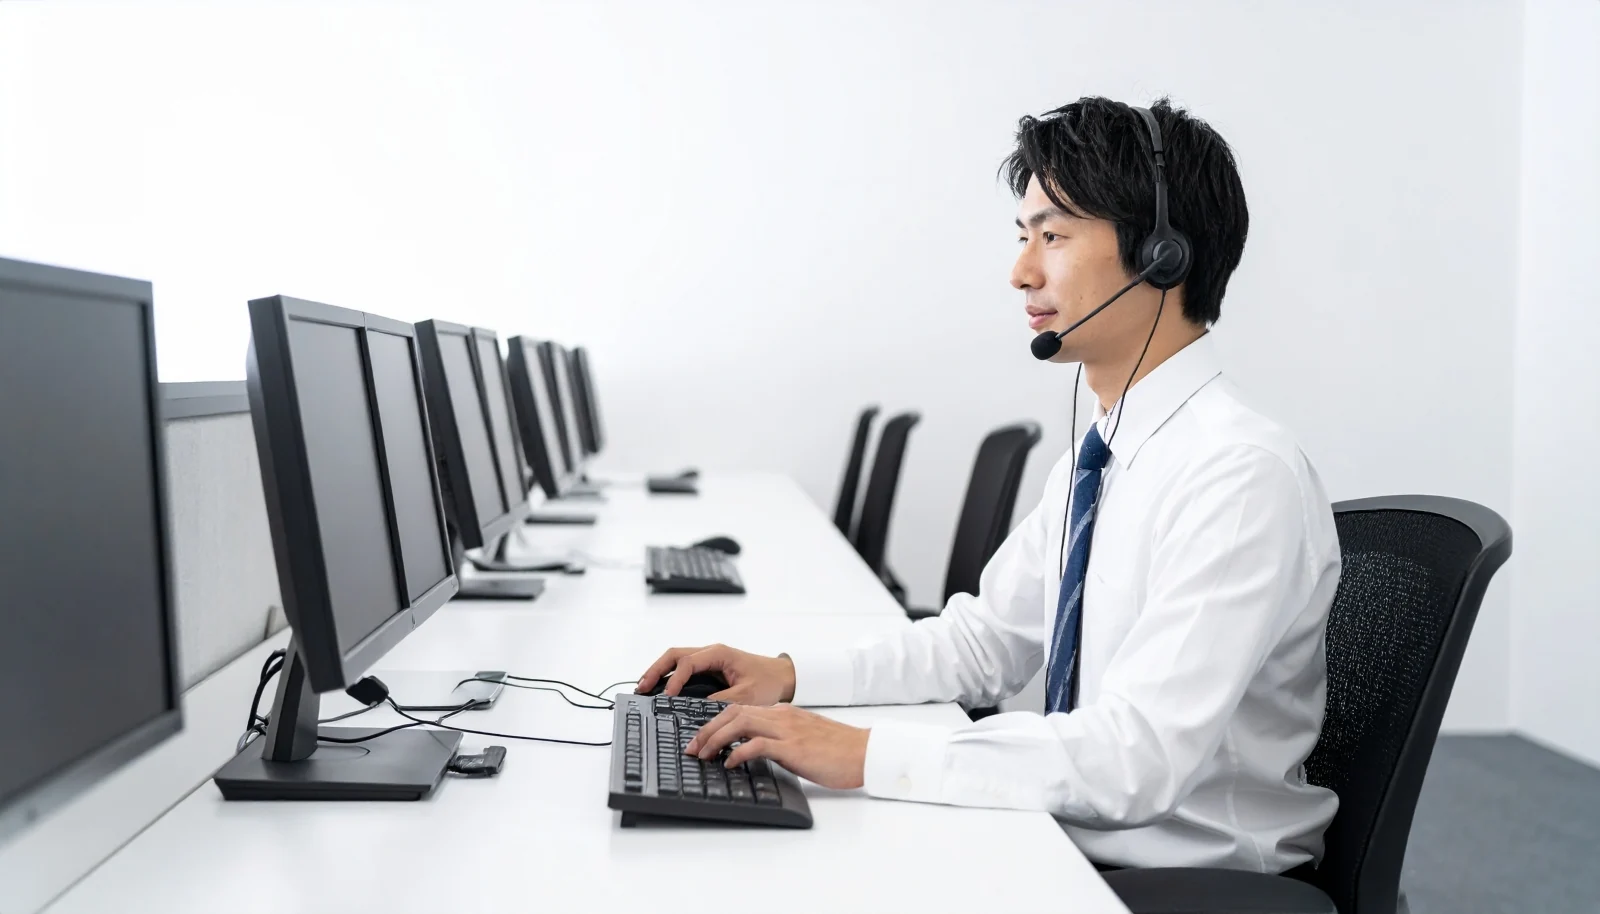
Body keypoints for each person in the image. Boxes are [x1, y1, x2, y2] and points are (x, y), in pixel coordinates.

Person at [636, 96, 1341, 874]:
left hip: (1182, 879)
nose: (1021, 271)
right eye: (1023, 237)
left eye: (1053, 236)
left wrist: (864, 754)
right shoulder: (1104, 448)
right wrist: (790, 675)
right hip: (1071, 836)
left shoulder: (1237, 475)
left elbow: (1134, 760)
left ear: (1162, 255)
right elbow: (985, 643)